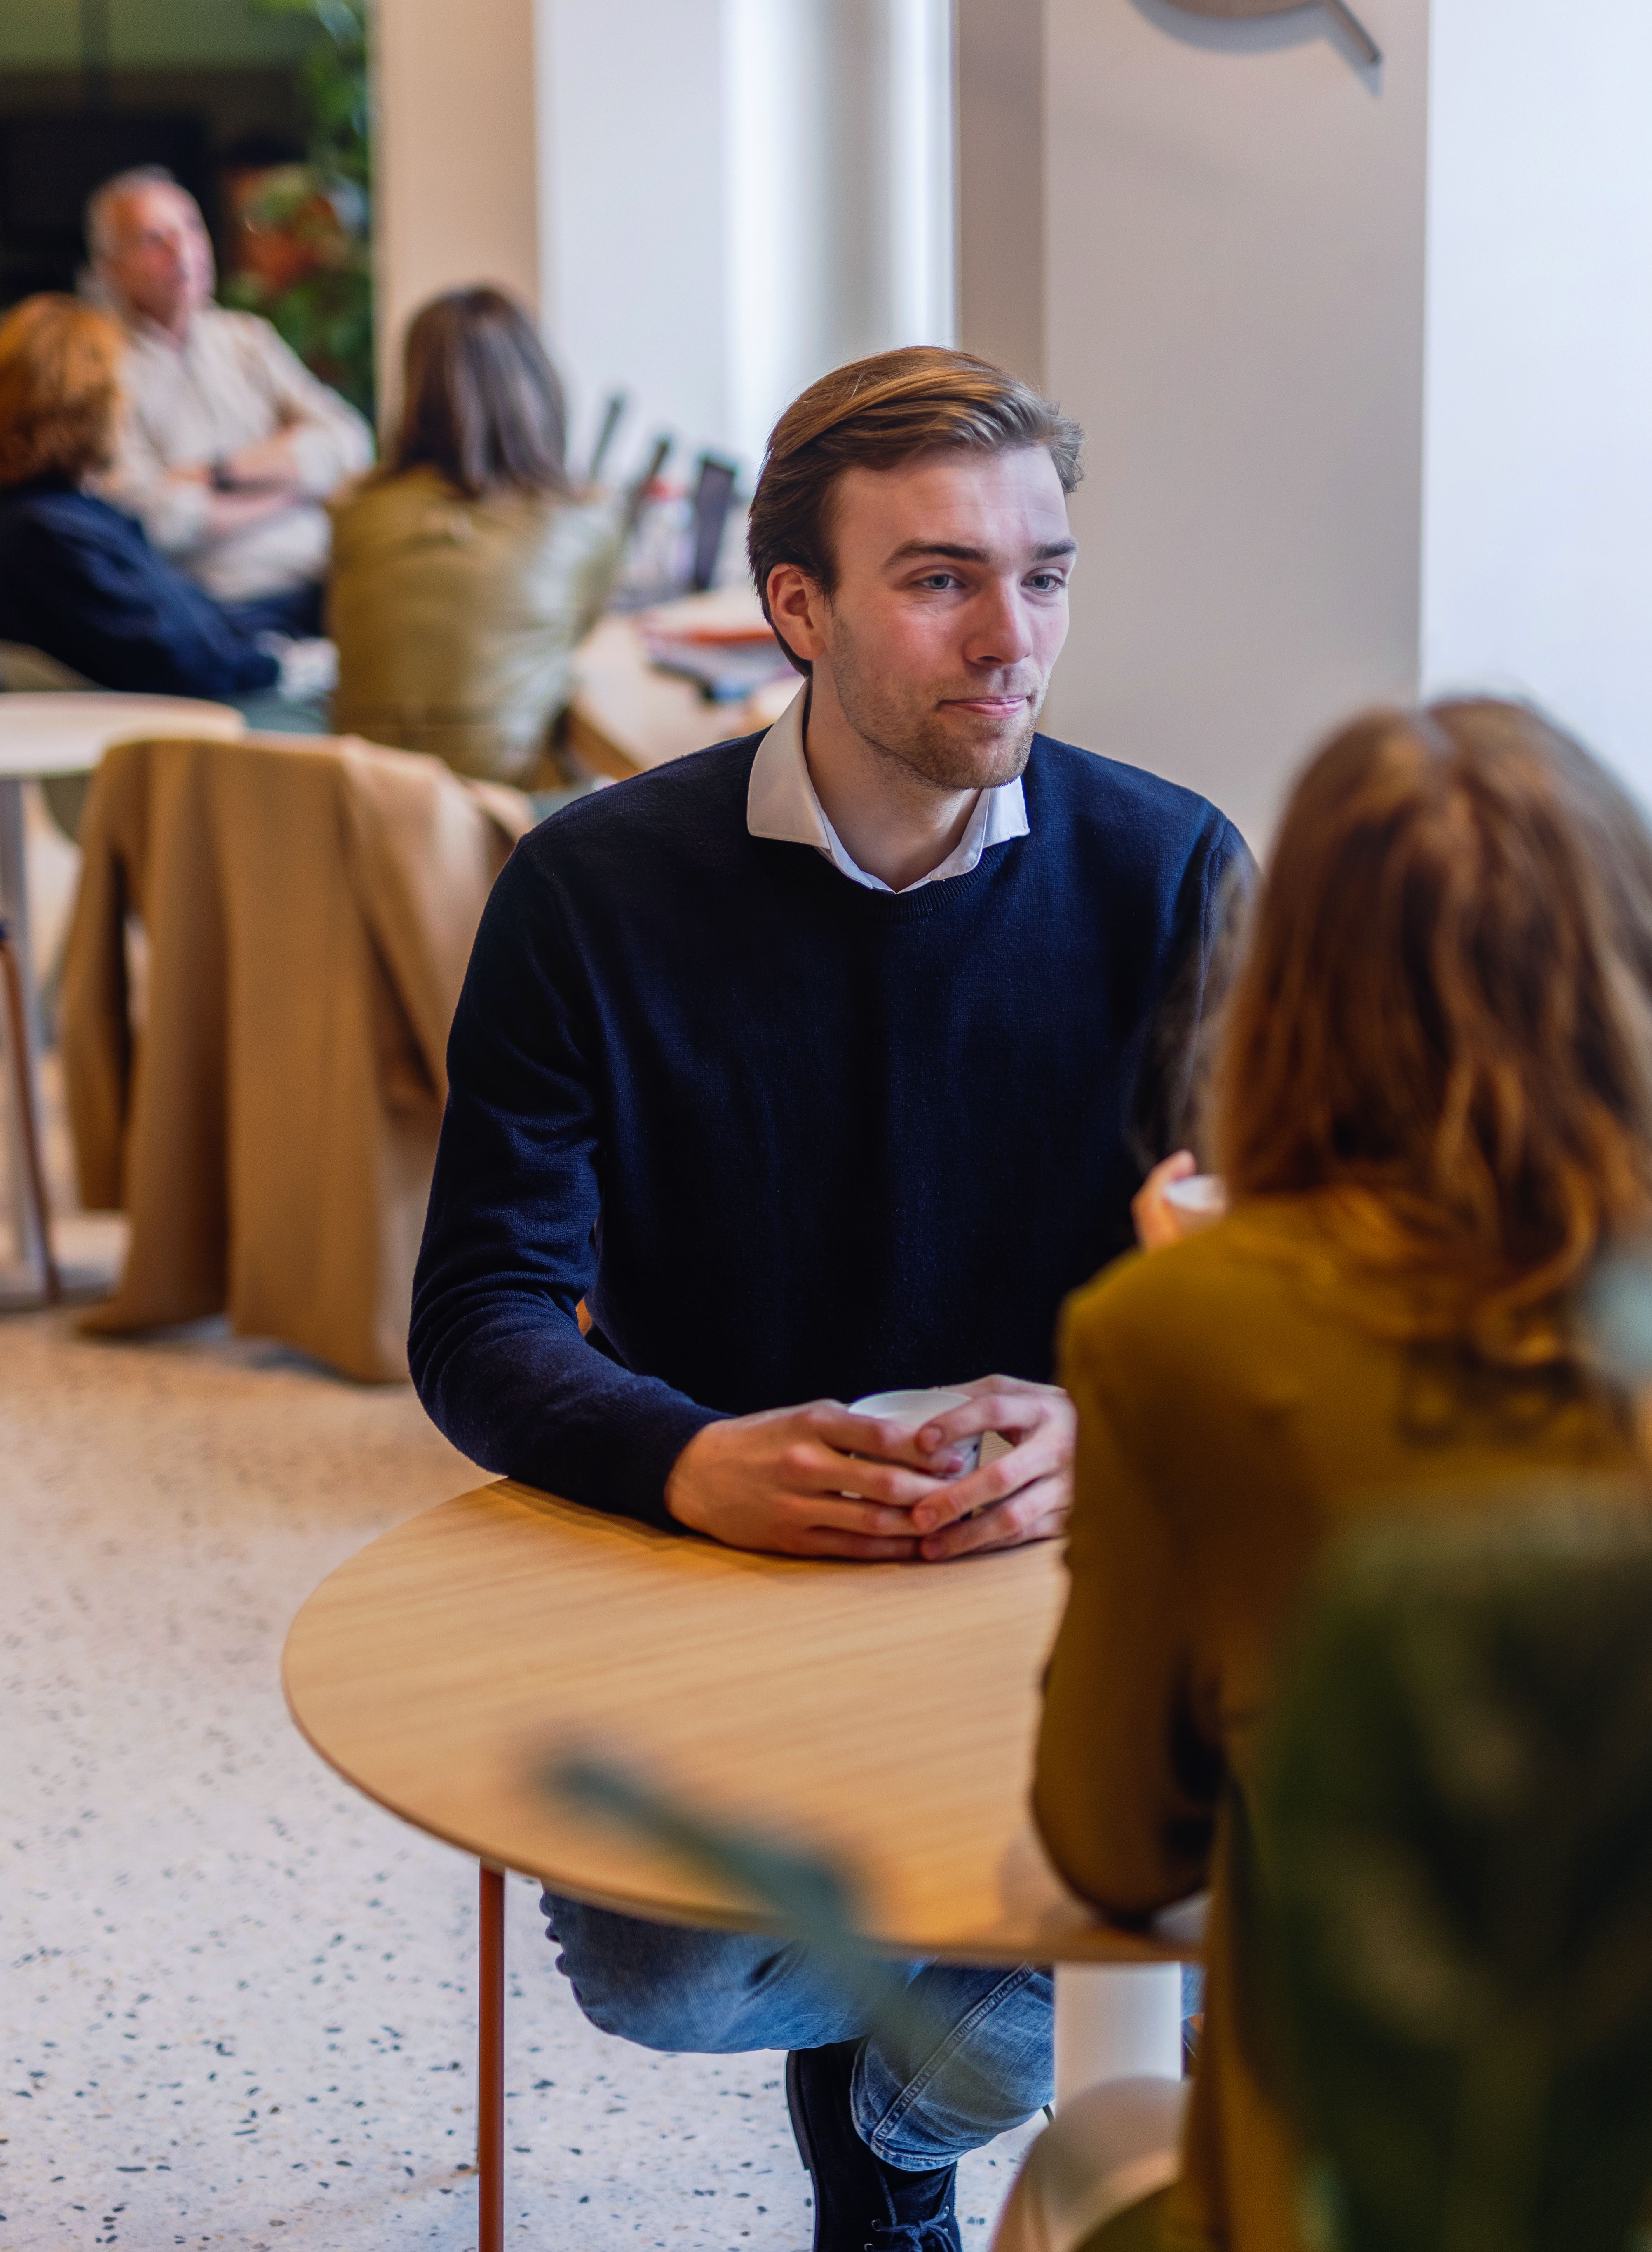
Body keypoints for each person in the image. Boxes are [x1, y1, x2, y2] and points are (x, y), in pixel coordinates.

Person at [407, 347, 1250, 2252]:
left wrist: (1104, 1424)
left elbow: (1283, 1282)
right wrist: (690, 1458)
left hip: (1082, 1578)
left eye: (1042, 573)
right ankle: (904, 2106)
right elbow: (478, 1312)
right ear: (796, 607)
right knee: (660, 1977)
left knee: (1271, 1899)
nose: (1012, 635)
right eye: (943, 577)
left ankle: (885, 2144)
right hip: (742, 1585)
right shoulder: (591, 890)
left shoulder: (1175, 870)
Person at [1023, 700, 1652, 2252]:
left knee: (1091, 2149)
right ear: (1647, 955)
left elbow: (1114, 1846)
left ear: (1289, 1003)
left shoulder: (1187, 1329)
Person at [0, 294, 324, 726]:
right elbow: (180, 661)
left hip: (209, 709)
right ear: (85, 410)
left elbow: (186, 628)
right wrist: (290, 664)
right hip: (212, 731)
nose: (125, 409)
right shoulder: (49, 539)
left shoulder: (60, 519)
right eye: (119, 390)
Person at [325, 287, 619, 786]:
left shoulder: (353, 511)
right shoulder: (584, 521)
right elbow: (576, 637)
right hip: (504, 821)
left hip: (365, 810)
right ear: (540, 385)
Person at [84, 164, 373, 639]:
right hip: (217, 610)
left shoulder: (246, 339)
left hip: (325, 585)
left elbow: (349, 444)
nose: (183, 252)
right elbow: (155, 521)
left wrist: (217, 474)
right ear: (111, 267)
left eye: (191, 229)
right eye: (154, 239)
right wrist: (291, 487)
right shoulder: (99, 368)